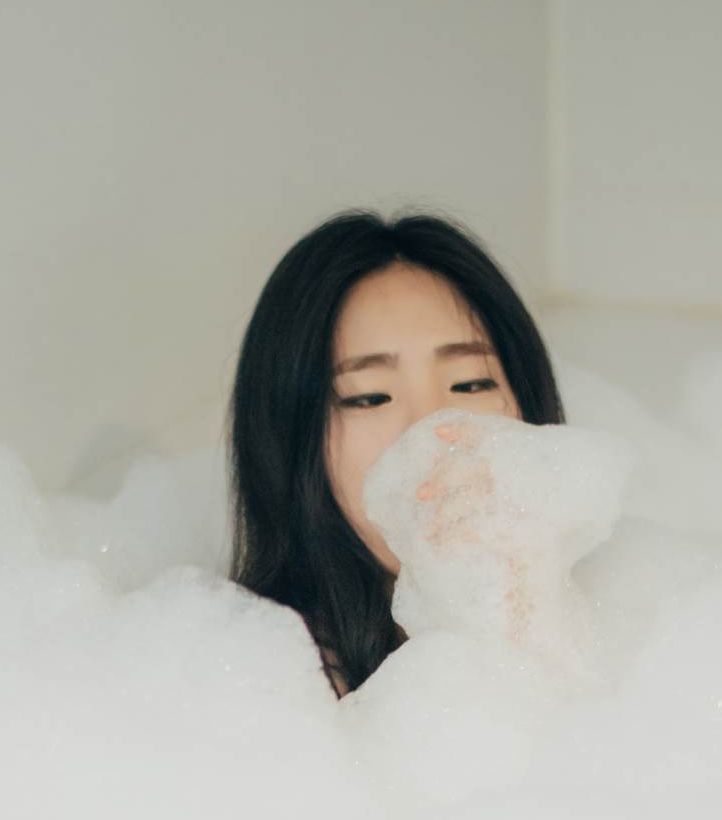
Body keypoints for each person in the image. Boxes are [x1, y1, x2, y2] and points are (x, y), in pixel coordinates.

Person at [226, 210, 566, 699]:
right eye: (369, 397)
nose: (430, 430)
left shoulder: (614, 616)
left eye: (470, 384)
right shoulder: (269, 683)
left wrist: (522, 600)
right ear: (291, 440)